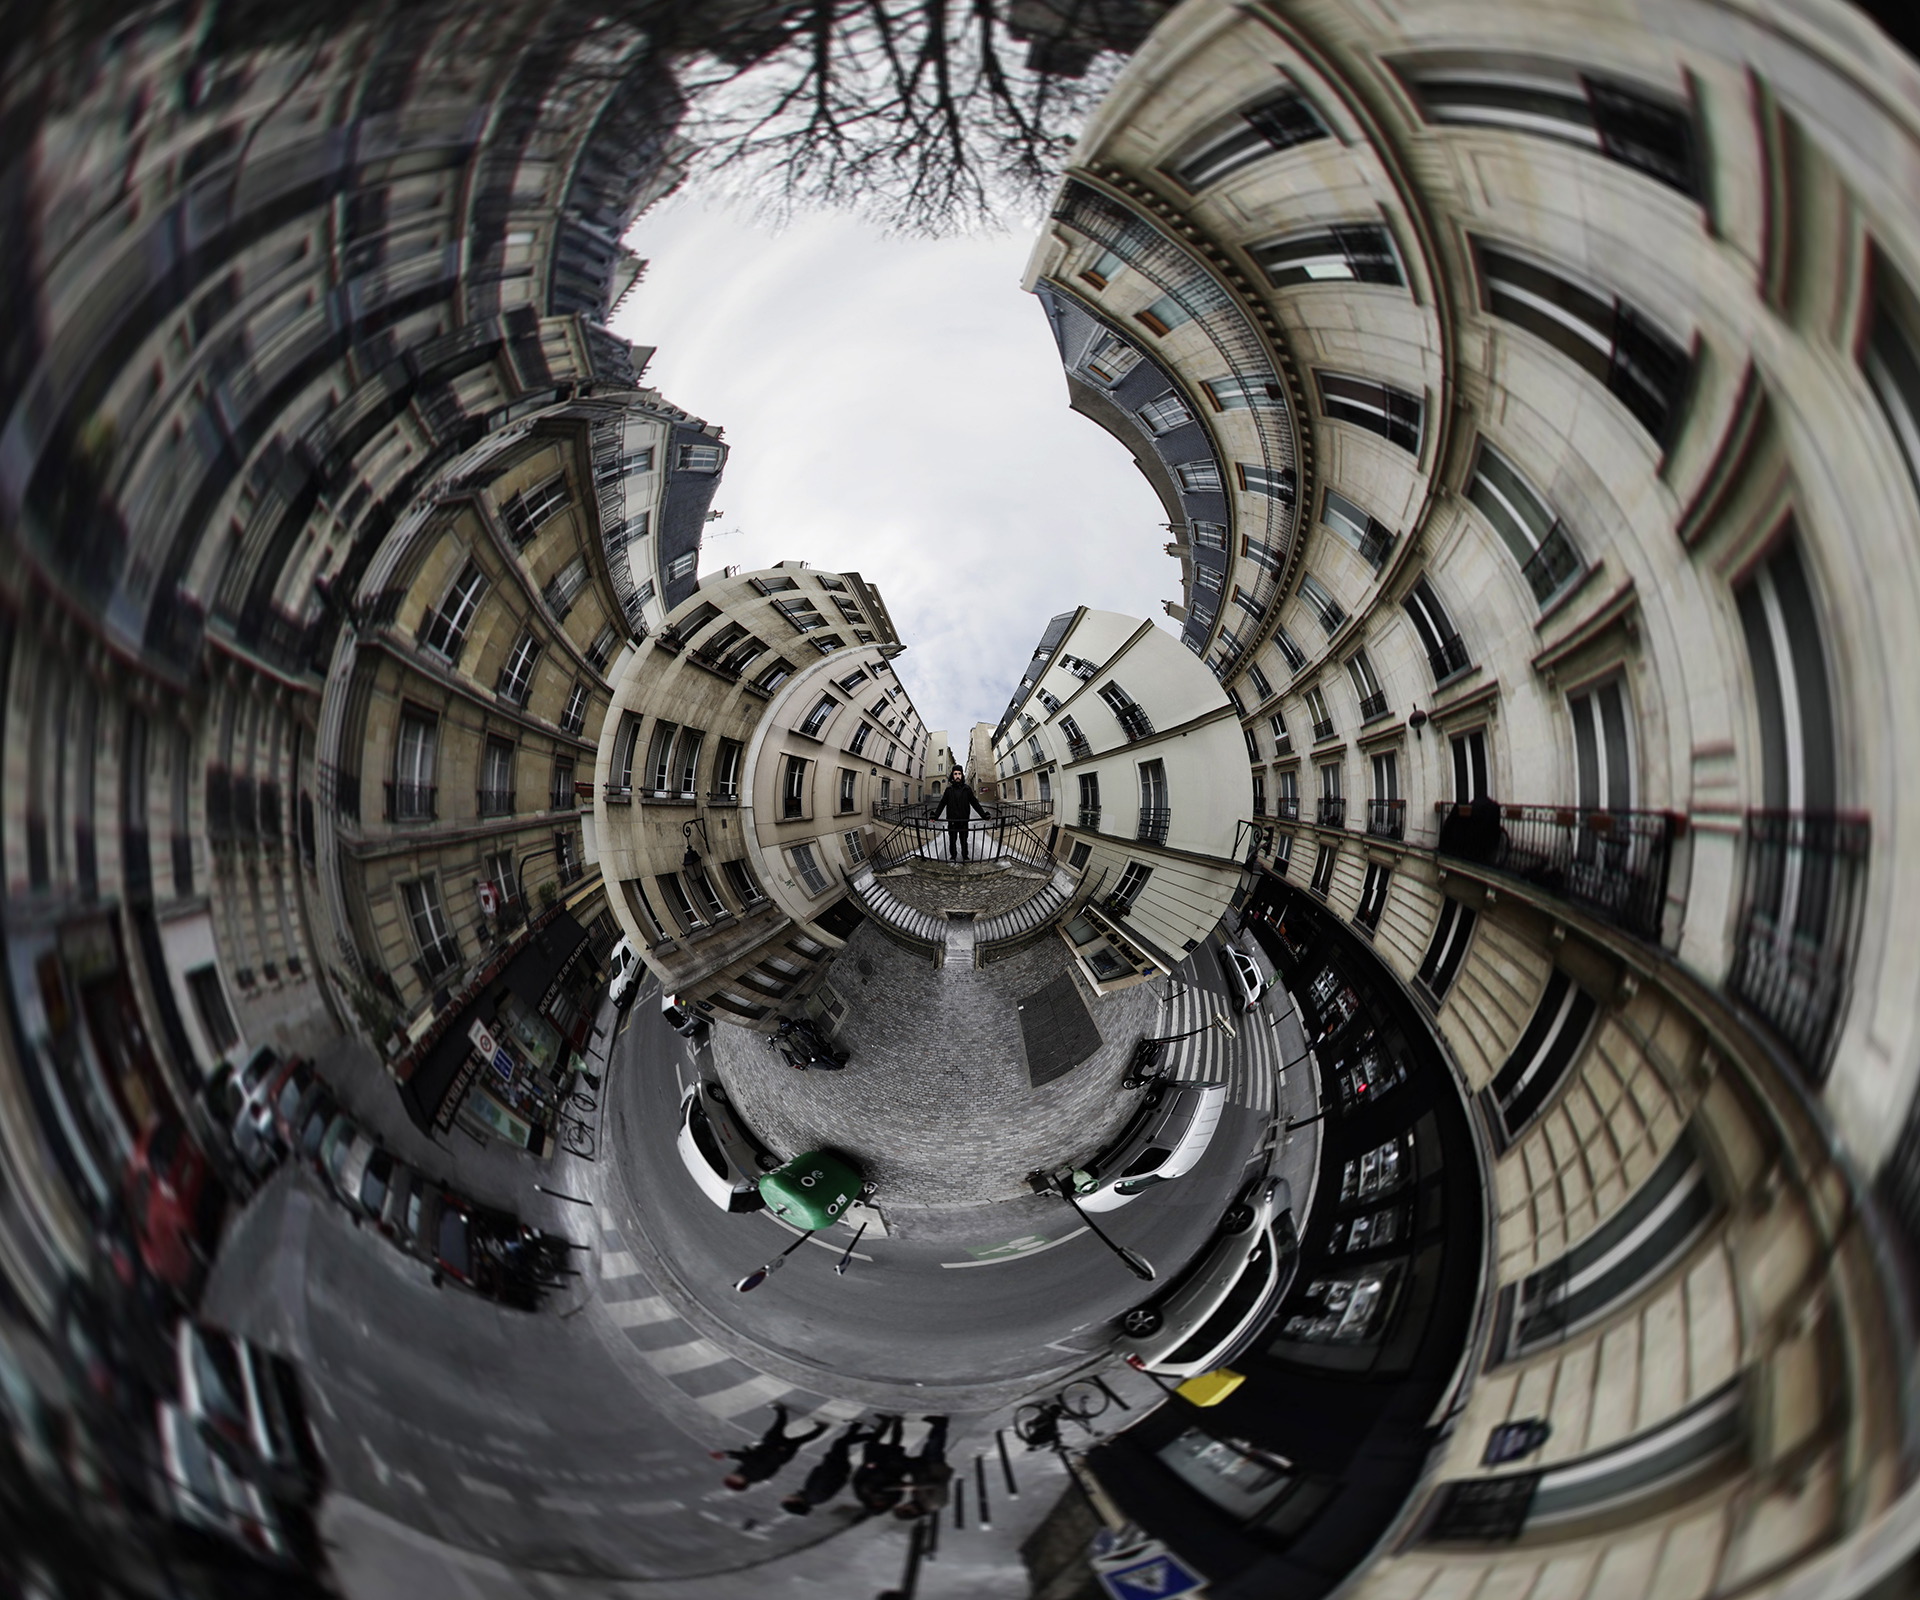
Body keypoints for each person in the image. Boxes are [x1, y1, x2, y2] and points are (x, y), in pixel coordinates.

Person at [712, 1402, 827, 1491]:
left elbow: (746, 1458)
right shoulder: (755, 1475)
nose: (732, 1476)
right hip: (778, 1452)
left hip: (769, 1448)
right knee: (800, 1439)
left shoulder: (743, 1473)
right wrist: (729, 1454)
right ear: (742, 1483)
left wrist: (727, 1454)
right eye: (733, 1479)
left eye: (730, 1478)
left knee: (778, 1431)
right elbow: (753, 1460)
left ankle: (781, 1412)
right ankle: (820, 1428)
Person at [778, 1419, 878, 1515]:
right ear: (795, 1502)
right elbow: (827, 1478)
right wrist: (829, 1461)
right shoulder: (815, 1496)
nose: (786, 1497)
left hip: (836, 1468)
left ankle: (857, 1426)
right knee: (840, 1443)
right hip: (836, 1467)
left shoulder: (812, 1497)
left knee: (843, 1443)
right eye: (787, 1500)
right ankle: (875, 1435)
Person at [893, 1415, 952, 1520]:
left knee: (931, 1446)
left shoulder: (920, 1502)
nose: (906, 1504)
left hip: (924, 1470)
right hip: (934, 1470)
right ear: (913, 1511)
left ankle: (938, 1426)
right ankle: (940, 1425)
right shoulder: (936, 1503)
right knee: (934, 1446)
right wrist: (914, 1486)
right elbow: (938, 1484)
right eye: (905, 1507)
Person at [851, 1413, 910, 1514]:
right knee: (895, 1443)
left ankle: (885, 1423)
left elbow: (857, 1480)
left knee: (874, 1441)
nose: (878, 1503)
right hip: (892, 1469)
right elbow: (901, 1486)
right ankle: (898, 1423)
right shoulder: (893, 1499)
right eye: (879, 1505)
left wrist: (866, 1467)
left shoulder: (862, 1496)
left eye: (875, 1504)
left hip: (873, 1467)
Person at [934, 766, 989, 862]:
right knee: (952, 841)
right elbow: (942, 804)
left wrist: (984, 815)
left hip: (964, 821)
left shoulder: (967, 789)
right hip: (952, 822)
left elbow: (975, 803)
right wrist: (935, 816)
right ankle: (953, 857)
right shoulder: (948, 790)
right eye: (955, 774)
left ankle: (965, 856)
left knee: (964, 841)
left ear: (962, 775)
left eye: (959, 774)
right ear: (952, 775)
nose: (957, 776)